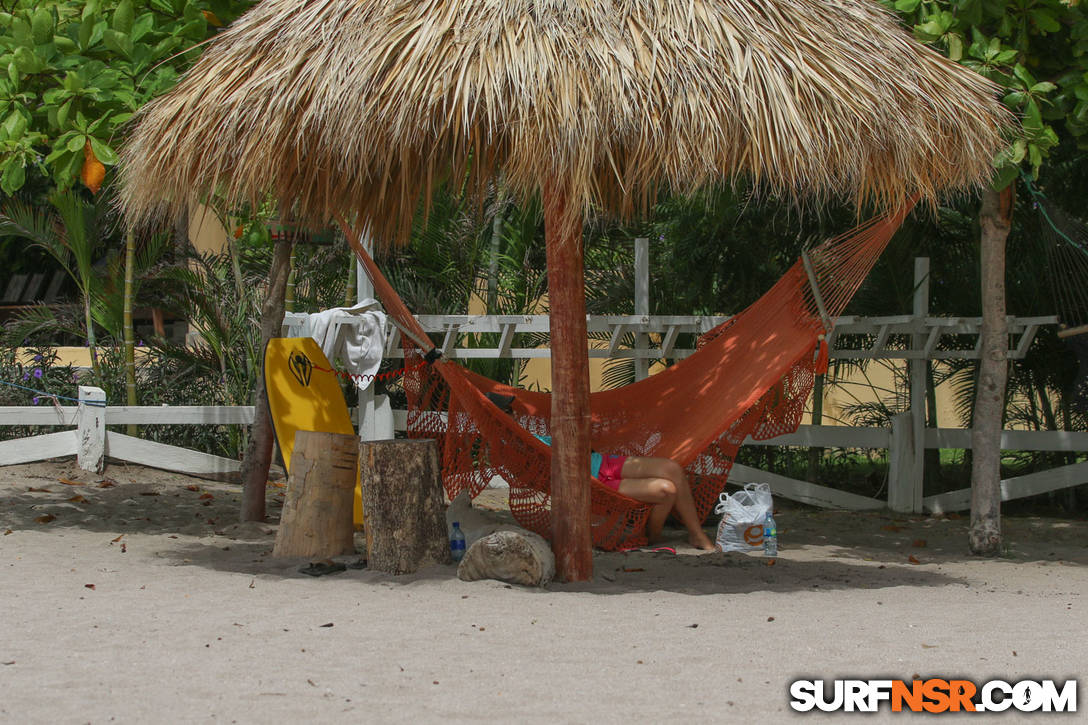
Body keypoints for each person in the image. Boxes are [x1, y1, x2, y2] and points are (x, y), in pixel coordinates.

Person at [486, 392, 716, 551]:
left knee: (671, 468)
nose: (514, 414)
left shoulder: (526, 438)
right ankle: (652, 537)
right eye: (508, 411)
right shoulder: (510, 450)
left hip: (600, 462)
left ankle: (696, 534)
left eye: (512, 410)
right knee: (666, 490)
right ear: (498, 419)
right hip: (592, 483)